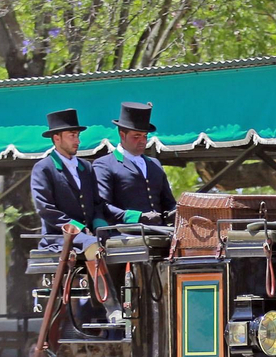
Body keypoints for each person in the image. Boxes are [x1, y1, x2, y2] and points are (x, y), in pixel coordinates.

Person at [29, 108, 125, 324]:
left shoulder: (86, 167)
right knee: (92, 245)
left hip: (89, 234)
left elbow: (97, 204)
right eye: (72, 135)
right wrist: (79, 228)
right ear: (57, 138)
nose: (77, 140)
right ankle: (111, 307)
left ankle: (129, 303)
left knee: (120, 244)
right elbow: (45, 208)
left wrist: (100, 225)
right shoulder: (43, 169)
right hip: (59, 237)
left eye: (78, 135)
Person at [95, 101, 177, 225]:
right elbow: (102, 206)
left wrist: (174, 212)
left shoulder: (154, 164)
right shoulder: (105, 165)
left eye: (145, 136)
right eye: (136, 136)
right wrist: (136, 217)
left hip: (162, 232)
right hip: (125, 236)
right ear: (122, 135)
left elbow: (169, 203)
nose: (142, 141)